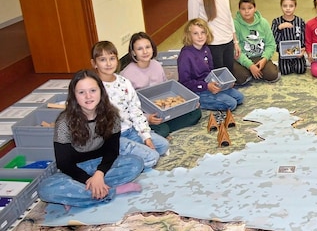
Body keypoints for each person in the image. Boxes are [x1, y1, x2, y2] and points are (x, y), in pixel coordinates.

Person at [38, 70, 144, 209]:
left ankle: (79, 195)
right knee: (46, 189)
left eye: (93, 90)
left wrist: (99, 174)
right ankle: (112, 191)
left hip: (101, 166)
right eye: (81, 92)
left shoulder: (112, 115)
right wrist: (89, 180)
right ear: (74, 96)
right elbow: (64, 163)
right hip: (76, 170)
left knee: (136, 163)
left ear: (101, 91)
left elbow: (112, 152)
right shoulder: (64, 122)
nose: (88, 96)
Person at [91, 41, 170, 170]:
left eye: (112, 58)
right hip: (111, 138)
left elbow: (135, 110)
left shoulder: (123, 82)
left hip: (130, 130)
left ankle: (130, 155)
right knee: (152, 157)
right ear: (94, 63)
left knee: (163, 145)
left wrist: (146, 137)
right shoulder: (93, 86)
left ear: (117, 60)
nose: (109, 63)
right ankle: (118, 160)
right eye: (102, 60)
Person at [120, 32, 202, 138]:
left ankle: (162, 128)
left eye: (147, 47)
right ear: (133, 53)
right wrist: (147, 118)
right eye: (140, 49)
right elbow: (125, 108)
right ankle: (158, 130)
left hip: (162, 110)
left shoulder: (157, 65)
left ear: (153, 48)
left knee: (195, 113)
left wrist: (186, 103)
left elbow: (168, 89)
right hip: (142, 115)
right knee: (162, 130)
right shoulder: (127, 74)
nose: (145, 52)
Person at [177, 18, 244, 110]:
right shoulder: (185, 55)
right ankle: (197, 102)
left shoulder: (206, 49)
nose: (200, 36)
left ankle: (213, 95)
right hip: (196, 90)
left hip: (208, 84)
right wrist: (206, 86)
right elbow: (184, 82)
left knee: (239, 98)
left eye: (203, 32)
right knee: (231, 104)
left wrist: (225, 83)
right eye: (195, 33)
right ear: (189, 35)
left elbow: (211, 71)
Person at [233, 0, 280, 85]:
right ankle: (251, 72)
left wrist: (265, 59)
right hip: (243, 58)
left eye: (250, 8)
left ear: (255, 8)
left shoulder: (263, 23)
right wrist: (250, 65)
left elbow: (271, 44)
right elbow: (235, 50)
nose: (246, 11)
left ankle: (258, 71)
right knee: (240, 77)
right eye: (243, 9)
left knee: (272, 75)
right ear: (239, 10)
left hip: (260, 57)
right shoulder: (235, 24)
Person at [271, 0, 306, 75]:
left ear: (295, 7)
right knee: (285, 71)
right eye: (285, 6)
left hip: (297, 53)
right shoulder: (276, 21)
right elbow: (272, 39)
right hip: (284, 54)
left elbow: (304, 37)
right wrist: (279, 28)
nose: (288, 8)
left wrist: (303, 50)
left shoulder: (300, 21)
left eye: (291, 6)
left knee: (300, 70)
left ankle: (303, 61)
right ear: (281, 6)